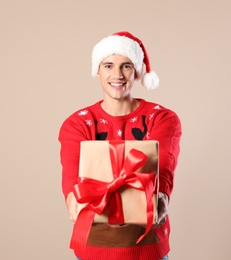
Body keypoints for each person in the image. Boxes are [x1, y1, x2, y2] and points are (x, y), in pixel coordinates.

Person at [58, 31, 182, 260]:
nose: (117, 75)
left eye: (126, 66)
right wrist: (75, 198)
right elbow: (73, 184)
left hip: (147, 250)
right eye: (108, 65)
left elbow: (162, 171)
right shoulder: (77, 124)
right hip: (93, 250)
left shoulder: (161, 119)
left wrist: (159, 196)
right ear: (97, 70)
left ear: (137, 71)